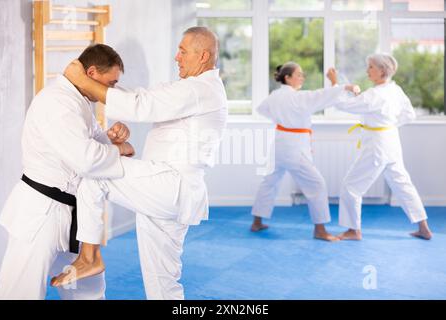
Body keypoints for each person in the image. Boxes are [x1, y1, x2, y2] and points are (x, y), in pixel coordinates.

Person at [50, 27, 228, 300]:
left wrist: (83, 82)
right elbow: (144, 97)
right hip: (167, 191)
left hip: (170, 184)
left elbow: (141, 106)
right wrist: (109, 91)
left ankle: (90, 257)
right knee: (162, 284)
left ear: (203, 56)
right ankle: (91, 258)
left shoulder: (198, 89)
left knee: (96, 175)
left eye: (182, 51)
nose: (176, 57)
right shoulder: (193, 88)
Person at [0, 44, 134, 300]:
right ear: (91, 72)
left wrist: (111, 139)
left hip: (73, 214)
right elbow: (86, 160)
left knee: (88, 289)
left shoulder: (77, 100)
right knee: (20, 291)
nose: (110, 90)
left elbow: (91, 143)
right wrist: (121, 149)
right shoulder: (57, 102)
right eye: (110, 83)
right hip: (43, 213)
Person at [250, 61, 359, 241]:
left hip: (279, 142)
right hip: (295, 147)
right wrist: (344, 86)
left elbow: (261, 109)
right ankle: (320, 230)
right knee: (316, 185)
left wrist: (282, 120)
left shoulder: (275, 96)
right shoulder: (297, 98)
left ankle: (257, 222)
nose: (302, 77)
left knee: (269, 182)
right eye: (299, 74)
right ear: (288, 78)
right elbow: (321, 95)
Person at [331, 53, 432, 241]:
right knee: (403, 184)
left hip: (377, 145)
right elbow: (409, 115)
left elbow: (343, 104)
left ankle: (353, 230)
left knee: (351, 186)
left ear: (382, 71)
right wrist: (388, 124)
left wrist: (335, 83)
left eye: (370, 67)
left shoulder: (374, 94)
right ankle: (423, 227)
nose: (367, 70)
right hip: (391, 139)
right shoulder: (395, 90)